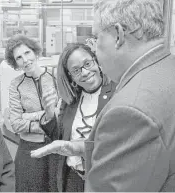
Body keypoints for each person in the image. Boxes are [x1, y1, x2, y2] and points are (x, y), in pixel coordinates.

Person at [31, 0, 175, 191]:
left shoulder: (130, 110)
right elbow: (152, 151)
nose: (95, 50)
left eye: (97, 38)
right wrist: (82, 148)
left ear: (118, 34)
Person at [36, 43, 116, 192]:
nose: (85, 72)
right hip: (73, 179)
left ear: (96, 62)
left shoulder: (117, 95)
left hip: (105, 181)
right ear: (70, 77)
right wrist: (49, 113)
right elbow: (59, 141)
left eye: (87, 64)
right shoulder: (70, 101)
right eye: (76, 70)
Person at [5, 35, 58, 192]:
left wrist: (28, 116)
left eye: (27, 53)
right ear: (15, 63)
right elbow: (15, 123)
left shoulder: (55, 76)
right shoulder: (15, 85)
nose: (25, 60)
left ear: (35, 52)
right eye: (19, 57)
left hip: (56, 145)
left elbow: (62, 111)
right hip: (29, 148)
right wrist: (47, 121)